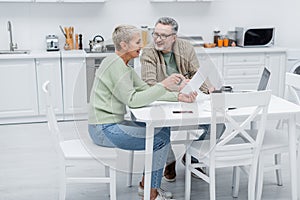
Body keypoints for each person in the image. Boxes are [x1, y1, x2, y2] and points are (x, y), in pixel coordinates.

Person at [88, 24, 198, 200]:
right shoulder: (115, 65)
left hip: (111, 124)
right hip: (104, 129)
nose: (142, 46)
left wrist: (178, 96)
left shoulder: (123, 66)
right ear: (124, 45)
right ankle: (151, 193)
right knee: (160, 140)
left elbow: (146, 90)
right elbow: (133, 100)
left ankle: (145, 184)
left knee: (162, 129)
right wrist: (164, 84)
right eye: (138, 42)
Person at [140, 16, 225, 182]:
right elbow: (150, 84)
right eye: (155, 34)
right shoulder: (148, 52)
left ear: (174, 37)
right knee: (160, 127)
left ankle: (192, 156)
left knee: (218, 123)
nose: (157, 39)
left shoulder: (186, 47)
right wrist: (178, 88)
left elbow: (196, 72)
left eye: (163, 35)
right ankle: (169, 161)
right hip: (162, 99)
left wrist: (209, 88)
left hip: (188, 97)